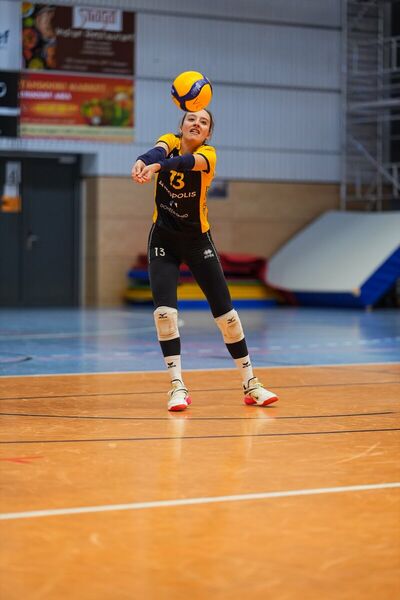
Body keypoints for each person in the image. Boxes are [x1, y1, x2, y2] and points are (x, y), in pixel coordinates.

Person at [131, 109, 279, 411]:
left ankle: (251, 384)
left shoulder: (208, 155)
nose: (196, 124)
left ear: (208, 133)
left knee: (227, 317)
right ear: (182, 125)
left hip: (198, 241)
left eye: (204, 122)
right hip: (163, 239)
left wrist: (156, 166)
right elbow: (157, 151)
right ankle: (177, 386)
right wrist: (142, 161)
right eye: (191, 119)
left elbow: (184, 162)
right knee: (164, 314)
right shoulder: (168, 142)